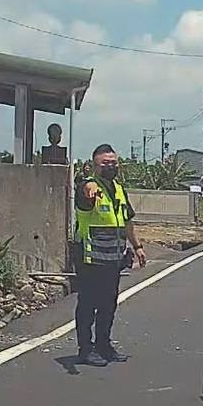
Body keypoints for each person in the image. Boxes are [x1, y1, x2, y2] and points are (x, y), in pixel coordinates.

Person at [71, 144, 146, 365]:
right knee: (88, 304)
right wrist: (89, 186)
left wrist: (138, 247)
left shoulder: (120, 190)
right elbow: (85, 190)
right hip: (90, 259)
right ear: (95, 166)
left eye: (113, 163)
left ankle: (104, 345)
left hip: (113, 260)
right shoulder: (89, 187)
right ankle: (86, 349)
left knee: (108, 304)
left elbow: (127, 222)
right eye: (105, 164)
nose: (110, 167)